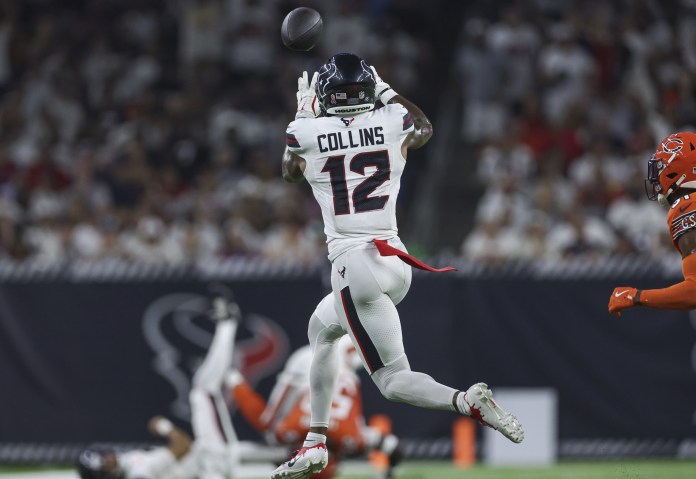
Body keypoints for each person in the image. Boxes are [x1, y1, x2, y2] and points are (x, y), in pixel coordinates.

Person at [272, 53, 524, 479]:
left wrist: (301, 113)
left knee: (392, 381)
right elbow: (424, 128)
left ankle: (465, 401)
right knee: (322, 329)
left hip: (354, 265)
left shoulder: (306, 131)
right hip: (393, 261)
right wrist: (387, 90)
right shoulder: (391, 121)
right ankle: (315, 442)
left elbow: (290, 173)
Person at [229, 295, 402, 479]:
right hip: (316, 370)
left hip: (321, 367)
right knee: (269, 426)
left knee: (271, 427)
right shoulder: (293, 433)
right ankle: (233, 379)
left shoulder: (352, 439)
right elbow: (387, 440)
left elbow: (390, 444)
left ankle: (232, 378)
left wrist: (387, 467)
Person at [77, 291, 241, 479]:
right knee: (202, 390)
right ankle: (227, 324)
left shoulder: (130, 463)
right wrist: (164, 426)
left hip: (207, 462)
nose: (110, 459)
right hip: (211, 465)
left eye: (105, 456)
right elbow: (183, 445)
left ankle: (227, 324)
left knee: (203, 389)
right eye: (105, 465)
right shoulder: (139, 472)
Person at [609, 132, 696, 316]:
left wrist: (637, 296)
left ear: (679, 169)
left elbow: (694, 292)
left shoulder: (688, 206)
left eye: (661, 168)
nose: (657, 177)